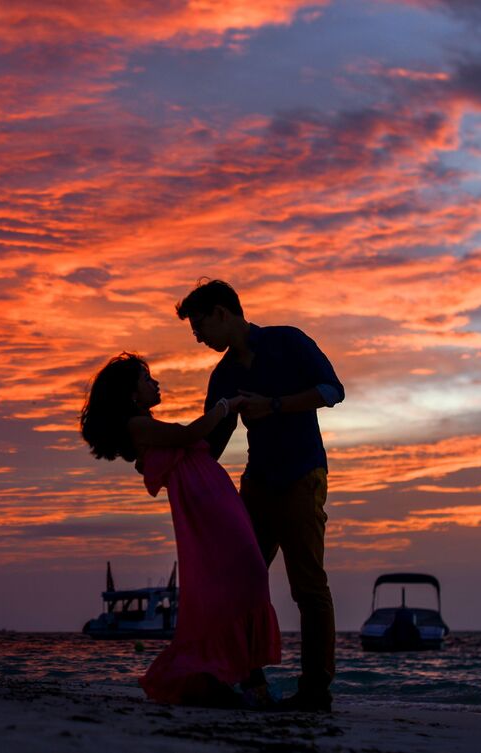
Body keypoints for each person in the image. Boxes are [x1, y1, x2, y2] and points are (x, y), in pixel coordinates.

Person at [176, 279, 344, 712]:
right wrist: (173, 465)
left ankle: (315, 690)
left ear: (222, 312)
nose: (197, 336)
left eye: (199, 325)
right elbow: (213, 441)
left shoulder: (287, 341)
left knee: (308, 585)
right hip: (256, 484)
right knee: (238, 580)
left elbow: (332, 391)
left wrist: (273, 405)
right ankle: (248, 681)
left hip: (303, 475)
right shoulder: (224, 375)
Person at [80, 353, 281, 708]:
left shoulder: (145, 425)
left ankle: (237, 679)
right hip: (206, 506)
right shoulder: (137, 426)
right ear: (131, 394)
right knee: (247, 576)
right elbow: (191, 433)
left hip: (213, 497)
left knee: (245, 578)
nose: (154, 383)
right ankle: (243, 681)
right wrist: (226, 405)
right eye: (146, 379)